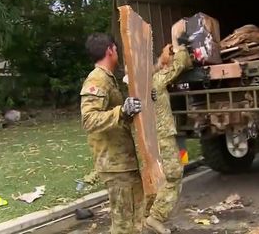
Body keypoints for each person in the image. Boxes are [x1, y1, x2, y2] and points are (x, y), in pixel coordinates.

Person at [80, 33, 144, 234]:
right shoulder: (97, 80)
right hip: (115, 164)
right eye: (116, 49)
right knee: (124, 223)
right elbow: (89, 120)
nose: (118, 53)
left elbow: (118, 116)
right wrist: (121, 111)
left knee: (135, 218)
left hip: (123, 162)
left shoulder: (109, 79)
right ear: (110, 50)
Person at [144, 37, 193, 234]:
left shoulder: (143, 82)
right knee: (173, 176)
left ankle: (144, 217)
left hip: (149, 137)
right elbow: (178, 65)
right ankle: (155, 217)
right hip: (162, 135)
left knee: (153, 177)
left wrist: (164, 58)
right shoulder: (156, 81)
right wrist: (182, 48)